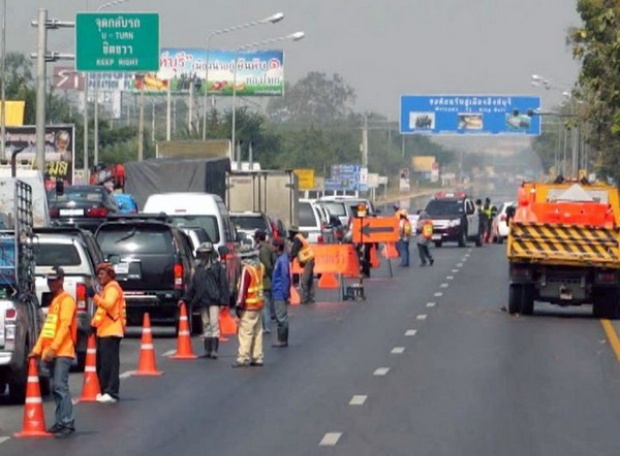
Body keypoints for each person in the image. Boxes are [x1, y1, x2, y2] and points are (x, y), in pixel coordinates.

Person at [30, 266, 77, 437]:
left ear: (61, 280)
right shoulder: (55, 302)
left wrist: (53, 349)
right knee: (56, 389)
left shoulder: (67, 301)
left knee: (60, 386)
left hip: (63, 352)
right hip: (52, 351)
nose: (51, 283)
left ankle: (67, 422)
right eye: (49, 280)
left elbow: (64, 328)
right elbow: (47, 330)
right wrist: (37, 350)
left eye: (54, 280)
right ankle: (61, 421)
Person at [180, 242, 229, 358]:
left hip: (214, 300)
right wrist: (185, 298)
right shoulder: (198, 269)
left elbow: (223, 285)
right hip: (202, 300)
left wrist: (224, 302)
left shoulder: (217, 267)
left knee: (214, 324)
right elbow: (193, 286)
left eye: (205, 254)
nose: (203, 256)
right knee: (206, 325)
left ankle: (214, 350)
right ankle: (207, 350)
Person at [88, 263, 126, 403]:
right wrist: (93, 325)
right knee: (102, 364)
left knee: (109, 364)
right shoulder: (106, 289)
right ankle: (105, 391)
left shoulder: (113, 288)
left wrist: (95, 298)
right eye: (99, 274)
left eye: (102, 274)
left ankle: (111, 392)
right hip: (104, 331)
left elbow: (108, 305)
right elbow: (101, 312)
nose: (100, 277)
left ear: (110, 275)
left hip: (112, 331)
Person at [232, 248, 265, 367]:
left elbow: (242, 290)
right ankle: (257, 357)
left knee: (245, 333)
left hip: (248, 307)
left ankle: (243, 358)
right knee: (257, 332)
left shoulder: (247, 270)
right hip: (258, 305)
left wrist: (239, 306)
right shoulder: (259, 267)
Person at [255, 229, 275, 334]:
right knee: (267, 304)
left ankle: (266, 326)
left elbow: (267, 265)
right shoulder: (267, 248)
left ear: (258, 238)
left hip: (265, 281)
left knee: (265, 305)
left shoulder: (263, 250)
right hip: (267, 280)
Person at [288, 226, 315, 304]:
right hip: (310, 259)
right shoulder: (300, 237)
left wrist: (290, 258)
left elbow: (294, 250)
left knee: (304, 280)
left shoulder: (297, 239)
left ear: (292, 233)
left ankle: (304, 298)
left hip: (308, 261)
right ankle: (310, 297)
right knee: (309, 280)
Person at [271, 238, 290, 347]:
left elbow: (285, 277)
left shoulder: (282, 260)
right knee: (280, 316)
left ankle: (282, 339)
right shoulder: (279, 259)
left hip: (280, 292)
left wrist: (285, 293)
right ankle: (281, 339)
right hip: (277, 291)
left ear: (278, 247)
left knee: (281, 316)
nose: (272, 247)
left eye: (274, 245)